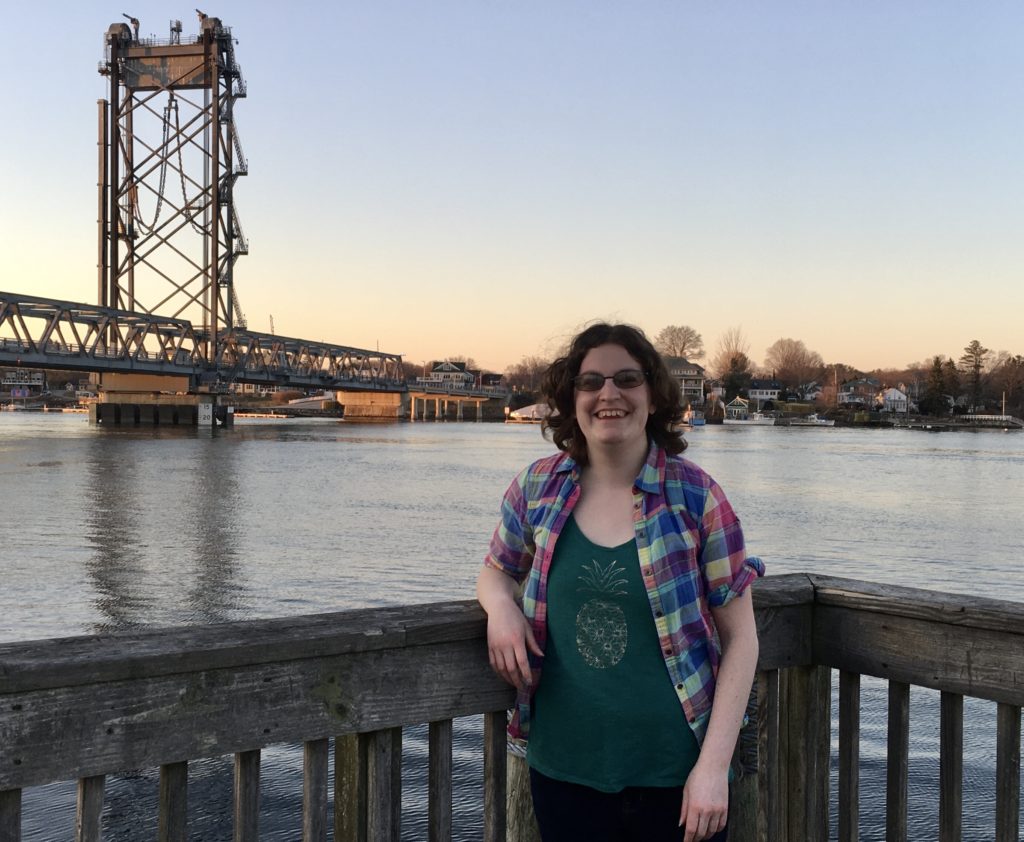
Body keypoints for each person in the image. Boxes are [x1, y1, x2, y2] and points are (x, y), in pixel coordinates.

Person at [477, 323, 764, 842]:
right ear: (572, 399)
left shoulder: (698, 498)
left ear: (652, 398)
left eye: (627, 379)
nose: (608, 394)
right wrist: (500, 607)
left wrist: (713, 768)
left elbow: (741, 638)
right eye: (591, 382)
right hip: (562, 773)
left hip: (678, 783)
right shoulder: (536, 487)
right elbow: (497, 568)